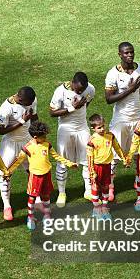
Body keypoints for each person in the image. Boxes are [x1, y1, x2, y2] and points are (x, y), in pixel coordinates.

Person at [7, 121, 77, 230]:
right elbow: (18, 161)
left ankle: (47, 214)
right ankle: (30, 217)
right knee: (32, 197)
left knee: (46, 195)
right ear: (35, 137)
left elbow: (56, 156)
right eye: (43, 136)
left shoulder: (47, 144)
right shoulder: (27, 147)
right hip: (35, 176)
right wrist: (8, 172)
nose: (45, 138)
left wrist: (69, 163)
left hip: (46, 175)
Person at [104, 42, 140, 201]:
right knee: (115, 154)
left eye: (131, 52)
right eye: (126, 53)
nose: (129, 55)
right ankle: (110, 186)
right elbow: (109, 99)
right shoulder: (113, 74)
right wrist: (129, 89)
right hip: (120, 119)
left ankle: (139, 182)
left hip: (137, 118)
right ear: (119, 55)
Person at [49, 72, 95, 206]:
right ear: (72, 82)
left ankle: (88, 190)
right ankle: (62, 193)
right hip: (65, 129)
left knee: (87, 159)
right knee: (62, 161)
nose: (80, 92)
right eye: (78, 89)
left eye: (83, 89)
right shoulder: (60, 91)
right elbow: (52, 112)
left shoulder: (90, 89)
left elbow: (87, 102)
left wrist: (80, 108)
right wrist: (72, 108)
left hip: (82, 127)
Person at [0, 86, 39, 221]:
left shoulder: (31, 100)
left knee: (34, 169)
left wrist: (37, 135)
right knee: (5, 173)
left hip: (27, 140)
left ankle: (36, 198)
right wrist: (22, 121)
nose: (30, 105)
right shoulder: (6, 108)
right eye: (27, 103)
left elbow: (34, 116)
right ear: (20, 99)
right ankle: (7, 206)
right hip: (10, 142)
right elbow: (1, 131)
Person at [86, 114, 128, 220]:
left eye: (103, 126)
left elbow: (117, 148)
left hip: (107, 166)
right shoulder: (92, 141)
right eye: (99, 127)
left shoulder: (110, 136)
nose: (102, 129)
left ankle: (104, 207)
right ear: (93, 128)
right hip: (96, 167)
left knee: (105, 187)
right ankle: (96, 209)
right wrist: (92, 171)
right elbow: (90, 158)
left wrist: (124, 158)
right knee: (95, 188)